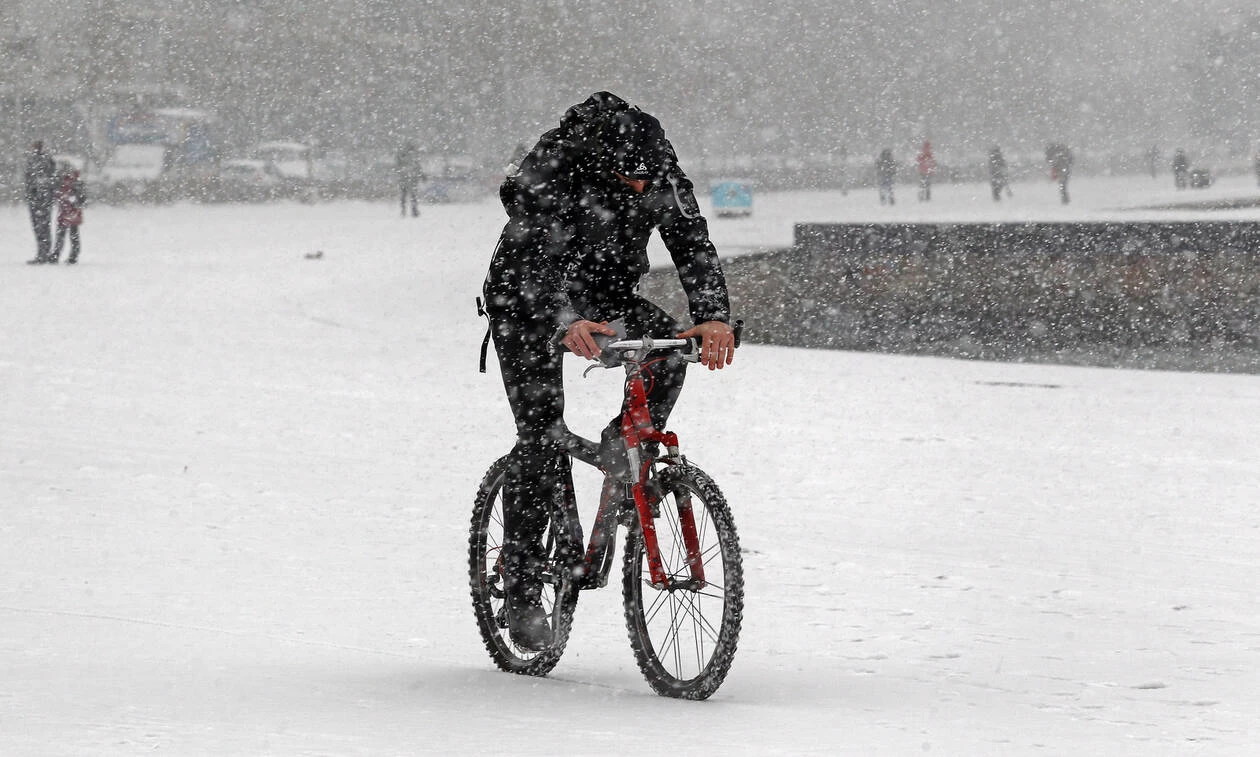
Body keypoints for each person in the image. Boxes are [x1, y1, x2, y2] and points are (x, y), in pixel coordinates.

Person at [481, 91, 734, 651]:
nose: (644, 190)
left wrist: (713, 315)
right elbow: (528, 256)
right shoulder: (558, 167)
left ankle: (624, 441)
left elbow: (692, 243)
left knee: (670, 351)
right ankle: (523, 586)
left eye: (651, 179)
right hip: (525, 303)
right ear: (606, 163)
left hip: (609, 293)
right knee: (540, 435)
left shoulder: (659, 168)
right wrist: (564, 318)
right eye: (631, 180)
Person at [23, 140, 57, 265]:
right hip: (37, 199)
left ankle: (44, 254)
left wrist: (39, 191)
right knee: (39, 227)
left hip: (42, 199)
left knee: (42, 227)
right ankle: (42, 253)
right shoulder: (34, 160)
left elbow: (46, 179)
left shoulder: (44, 161)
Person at [50, 167, 86, 264]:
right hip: (66, 210)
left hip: (71, 211)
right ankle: (61, 255)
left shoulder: (73, 182)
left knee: (69, 234)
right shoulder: (67, 181)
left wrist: (71, 198)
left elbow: (81, 197)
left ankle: (68, 255)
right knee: (65, 234)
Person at [395, 140, 423, 217]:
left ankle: (404, 211)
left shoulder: (402, 156)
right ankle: (413, 211)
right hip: (411, 179)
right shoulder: (413, 157)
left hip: (405, 179)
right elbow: (418, 167)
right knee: (413, 196)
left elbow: (398, 167)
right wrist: (421, 175)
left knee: (404, 196)